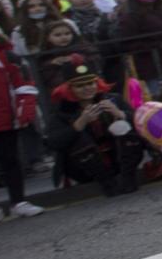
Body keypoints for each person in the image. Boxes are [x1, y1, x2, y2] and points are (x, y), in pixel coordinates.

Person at [47, 62, 145, 197]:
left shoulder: (113, 99)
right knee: (79, 139)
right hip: (85, 168)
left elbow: (141, 122)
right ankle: (108, 184)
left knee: (124, 128)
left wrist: (120, 114)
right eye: (80, 86)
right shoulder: (62, 111)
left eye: (91, 83)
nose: (87, 88)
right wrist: (79, 124)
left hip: (119, 160)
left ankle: (128, 179)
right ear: (69, 89)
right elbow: (53, 142)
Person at [0, 20, 43, 221]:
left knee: (10, 161)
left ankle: (19, 202)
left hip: (5, 119)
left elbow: (25, 85)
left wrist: (24, 111)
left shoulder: (8, 56)